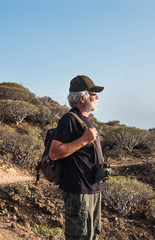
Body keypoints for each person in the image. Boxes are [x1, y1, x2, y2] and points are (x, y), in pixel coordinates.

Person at [48, 75, 104, 240]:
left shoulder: (85, 120)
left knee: (92, 235)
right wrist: (83, 140)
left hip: (92, 190)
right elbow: (54, 153)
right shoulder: (69, 120)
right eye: (93, 93)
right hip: (79, 192)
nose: (97, 97)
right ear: (82, 97)